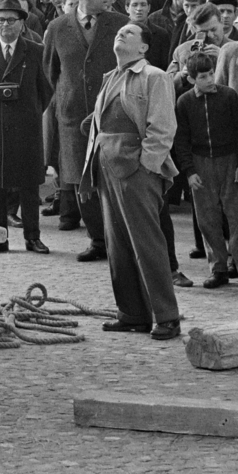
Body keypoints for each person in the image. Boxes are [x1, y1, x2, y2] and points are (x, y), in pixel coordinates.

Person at [84, 22, 182, 339]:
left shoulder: (155, 76)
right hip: (107, 169)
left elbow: (163, 127)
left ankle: (167, 317)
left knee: (147, 245)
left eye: (129, 33)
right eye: (119, 30)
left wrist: (147, 166)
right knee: (117, 246)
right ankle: (133, 314)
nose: (120, 34)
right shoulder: (110, 77)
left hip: (136, 170)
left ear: (143, 48)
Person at [43, 0, 127, 258]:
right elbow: (49, 73)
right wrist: (65, 100)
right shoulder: (57, 27)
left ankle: (118, 240)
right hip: (72, 119)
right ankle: (98, 242)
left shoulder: (121, 24)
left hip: (112, 116)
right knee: (81, 181)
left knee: (112, 180)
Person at [0, 0, 53, 254]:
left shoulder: (36, 51)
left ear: (22, 24)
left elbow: (46, 91)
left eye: (11, 20)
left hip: (26, 127)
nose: (5, 25)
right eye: (0, 20)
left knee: (29, 184)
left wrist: (27, 113)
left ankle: (32, 237)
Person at [171, 49, 238, 291]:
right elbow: (181, 140)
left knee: (237, 217)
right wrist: (188, 171)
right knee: (207, 219)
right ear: (191, 79)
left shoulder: (228, 96)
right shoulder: (184, 102)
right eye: (203, 76)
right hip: (200, 163)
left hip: (228, 160)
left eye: (210, 74)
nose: (209, 80)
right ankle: (218, 268)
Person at [123, 0, 172, 70]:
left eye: (143, 5)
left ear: (149, 8)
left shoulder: (162, 35)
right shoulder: (118, 33)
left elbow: (165, 66)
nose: (139, 9)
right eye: (134, 5)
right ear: (127, 8)